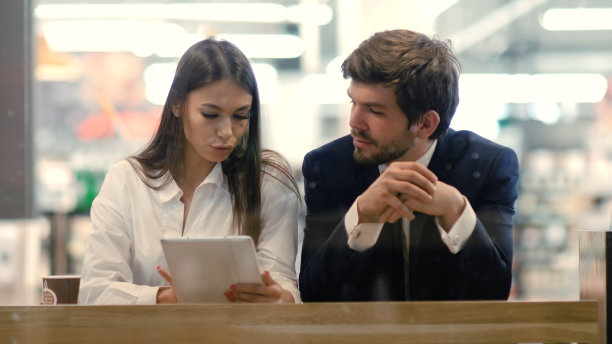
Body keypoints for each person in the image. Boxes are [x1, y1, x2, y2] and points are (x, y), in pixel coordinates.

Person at [299, 29, 519, 302]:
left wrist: (456, 212)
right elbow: (313, 295)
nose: (354, 122)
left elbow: (494, 294)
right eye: (354, 102)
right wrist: (361, 215)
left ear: (425, 124)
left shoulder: (489, 165)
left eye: (375, 111)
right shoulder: (327, 166)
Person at [79, 38, 301, 304]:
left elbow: (283, 281)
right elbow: (95, 292)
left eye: (241, 116)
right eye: (210, 114)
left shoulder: (268, 183)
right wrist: (167, 298)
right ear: (177, 105)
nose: (227, 132)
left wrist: (280, 299)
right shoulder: (126, 181)